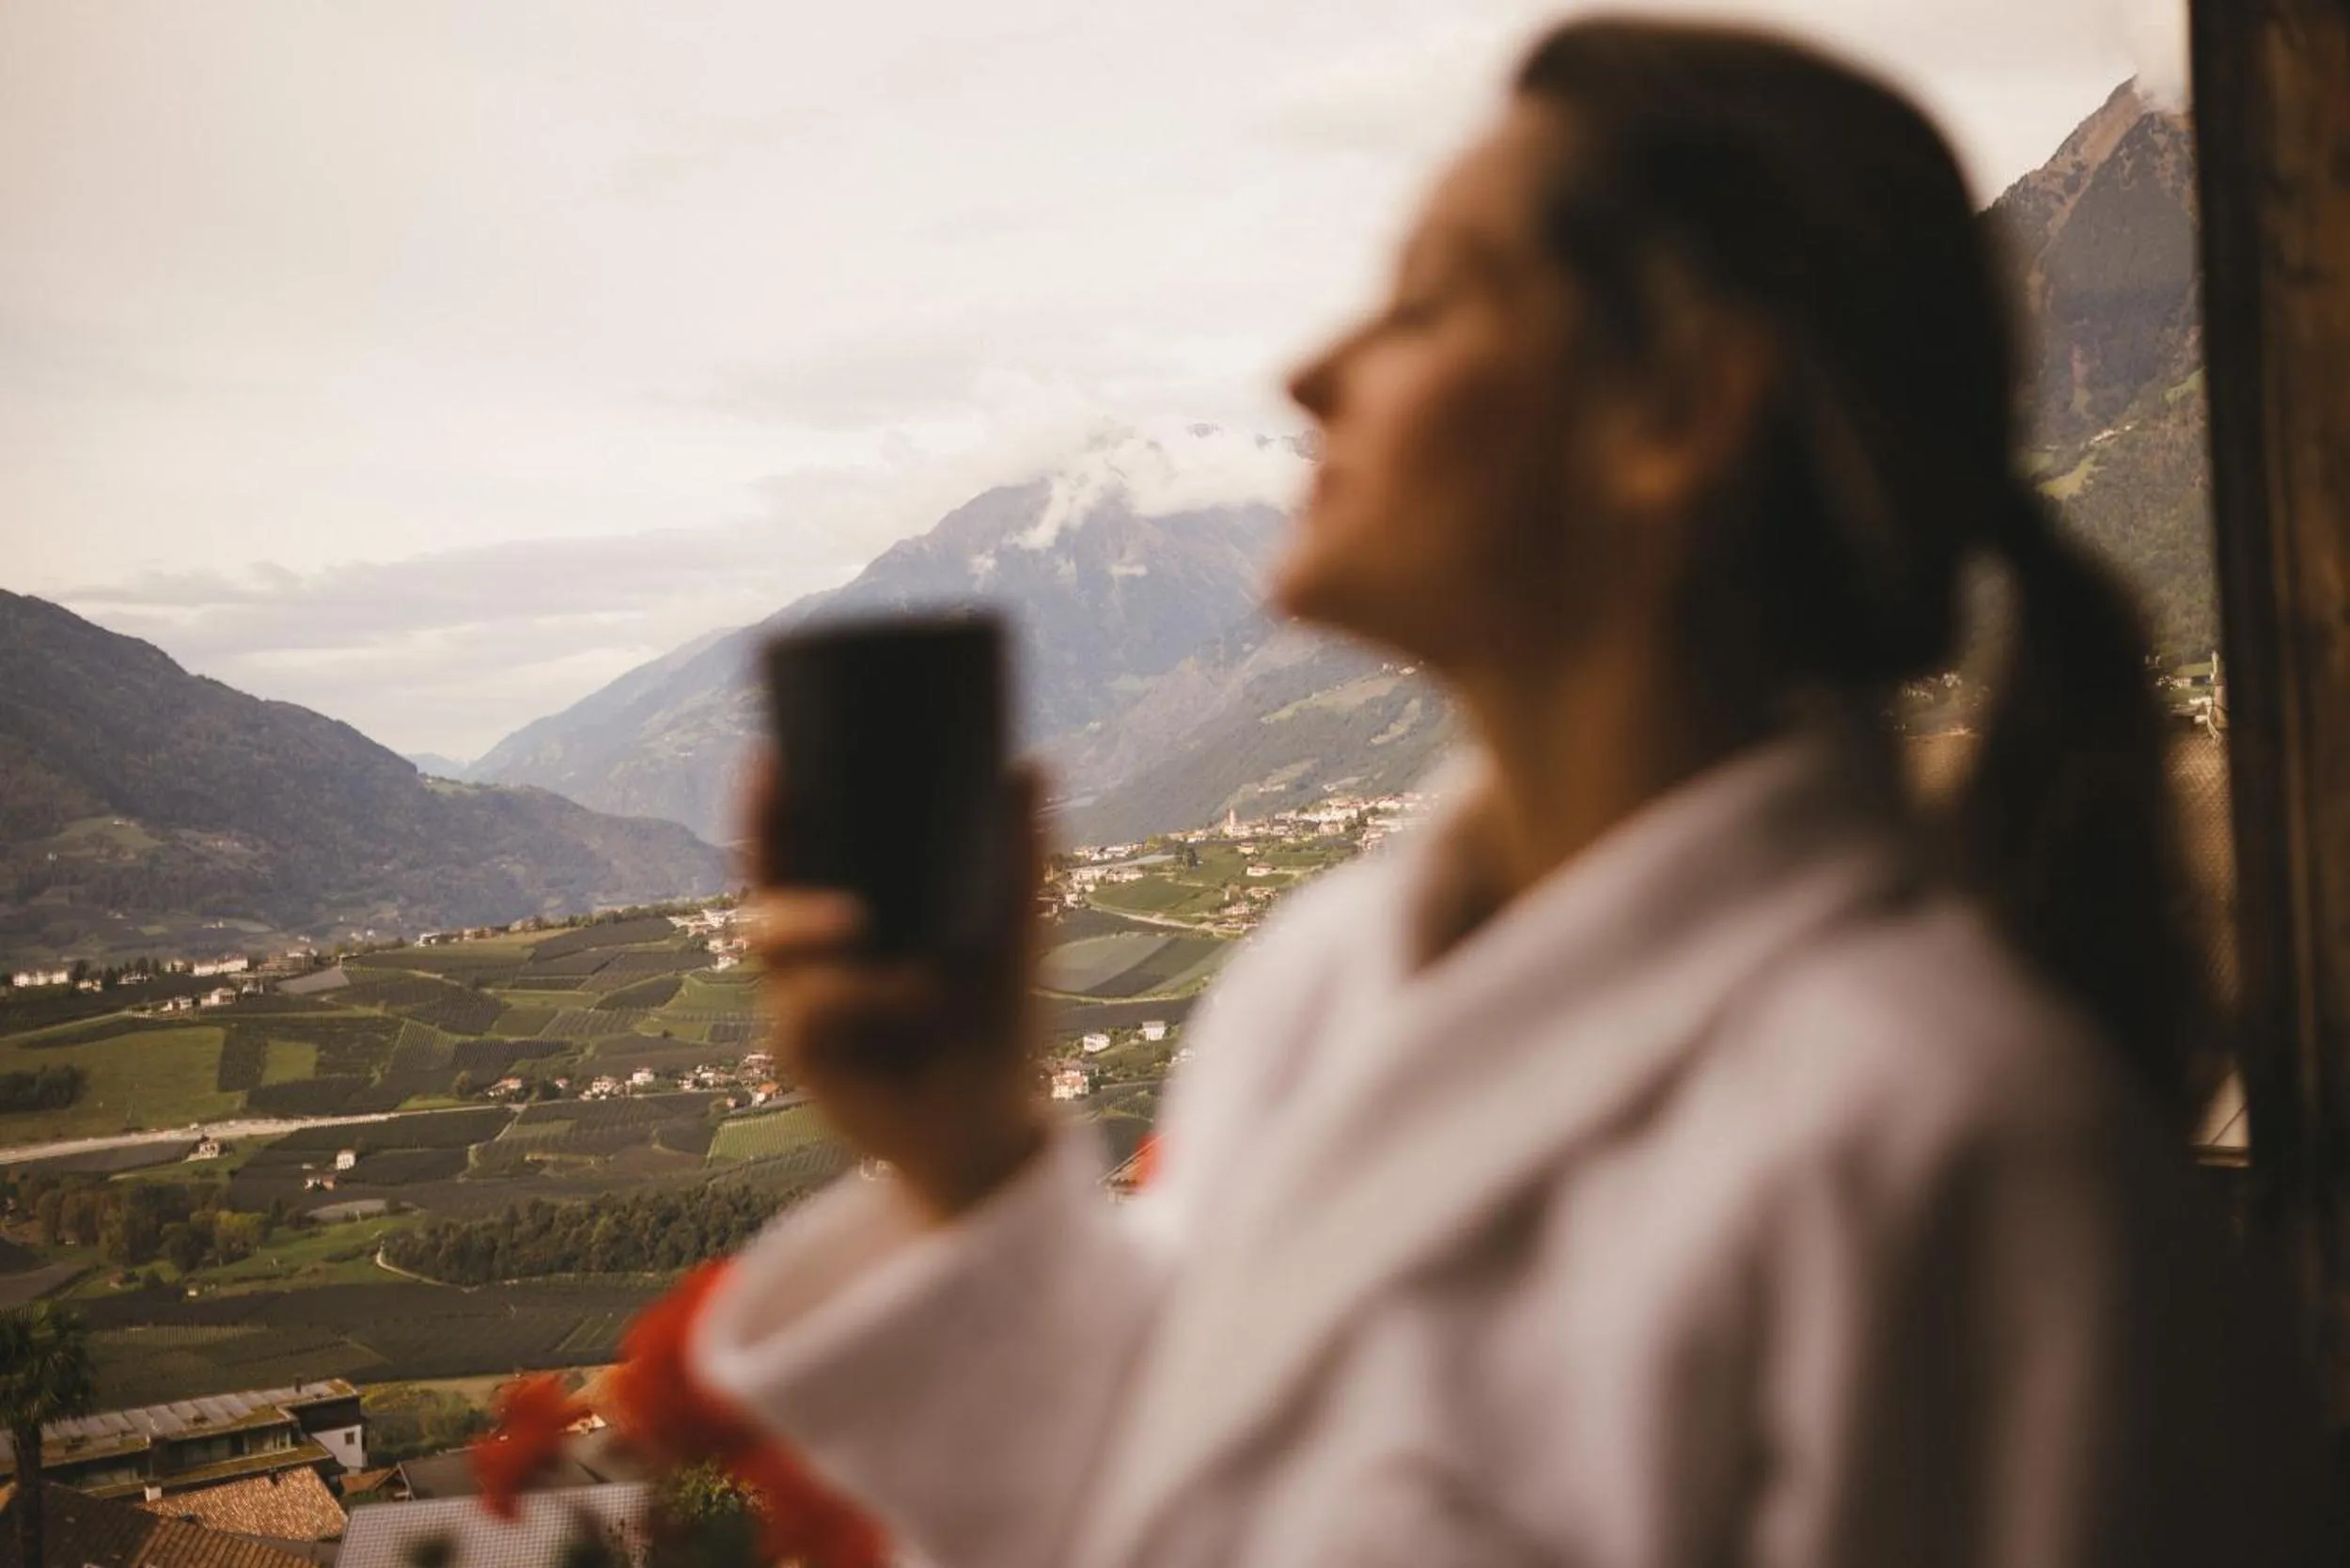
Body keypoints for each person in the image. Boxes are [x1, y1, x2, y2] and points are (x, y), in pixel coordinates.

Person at [692, 19, 2326, 1568]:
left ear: (1675, 411)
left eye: (1424, 304)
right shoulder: (1321, 987)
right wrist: (966, 1146)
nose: (1314, 370)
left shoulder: (1953, 1153)